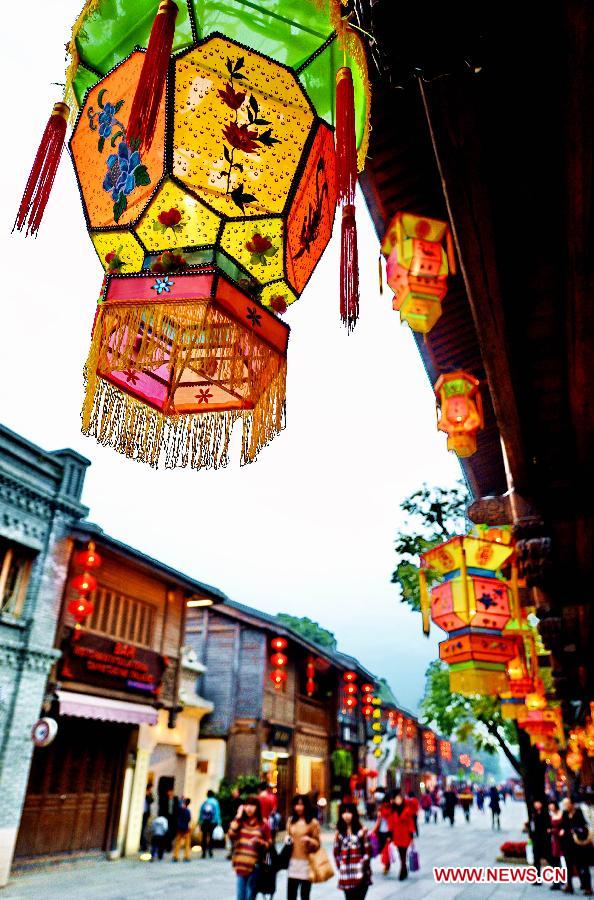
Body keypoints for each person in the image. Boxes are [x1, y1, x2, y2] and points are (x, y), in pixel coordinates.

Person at [228, 796, 271, 900]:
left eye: (252, 805)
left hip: (255, 867)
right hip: (240, 865)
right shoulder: (240, 822)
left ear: (257, 808)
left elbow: (269, 843)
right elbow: (231, 834)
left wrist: (260, 842)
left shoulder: (263, 824)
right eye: (247, 805)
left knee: (249, 897)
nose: (249, 808)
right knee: (240, 897)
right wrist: (238, 816)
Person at [333, 802, 372, 900]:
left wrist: (362, 864)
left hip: (361, 873)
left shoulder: (361, 831)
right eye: (344, 813)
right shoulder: (339, 834)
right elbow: (336, 852)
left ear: (354, 814)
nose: (346, 815)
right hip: (346, 874)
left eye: (349, 812)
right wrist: (341, 865)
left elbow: (367, 851)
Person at [285, 794, 321, 900]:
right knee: (291, 895)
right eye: (296, 805)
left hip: (307, 864)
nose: (298, 807)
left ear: (306, 806)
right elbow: (288, 836)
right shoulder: (291, 821)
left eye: (301, 805)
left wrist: (309, 840)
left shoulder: (313, 823)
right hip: (292, 864)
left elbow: (318, 844)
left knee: (305, 895)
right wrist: (287, 839)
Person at [559, 797, 592, 895]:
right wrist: (562, 830)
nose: (565, 806)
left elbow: (584, 826)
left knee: (583, 867)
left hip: (579, 845)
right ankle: (569, 886)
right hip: (568, 845)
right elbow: (563, 825)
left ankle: (588, 887)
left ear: (572, 804)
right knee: (568, 867)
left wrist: (575, 829)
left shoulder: (579, 813)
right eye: (564, 804)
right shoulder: (565, 814)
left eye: (567, 804)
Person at [386, 792, 415, 881]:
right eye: (396, 799)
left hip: (405, 835)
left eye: (399, 799)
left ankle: (402, 871)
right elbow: (390, 824)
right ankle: (404, 869)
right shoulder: (393, 811)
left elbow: (410, 823)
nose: (398, 801)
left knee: (404, 853)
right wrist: (389, 835)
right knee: (400, 853)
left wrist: (411, 837)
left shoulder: (407, 810)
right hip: (397, 835)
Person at [528, 799, 551, 879]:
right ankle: (537, 878)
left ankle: (557, 878)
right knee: (536, 858)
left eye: (538, 802)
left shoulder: (545, 813)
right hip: (536, 839)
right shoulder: (533, 814)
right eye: (535, 803)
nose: (537, 804)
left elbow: (548, 826)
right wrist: (531, 837)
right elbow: (531, 827)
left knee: (549, 858)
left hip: (544, 839)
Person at [199, 789, 222, 859]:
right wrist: (219, 822)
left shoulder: (205, 802)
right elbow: (217, 813)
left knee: (204, 837)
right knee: (211, 837)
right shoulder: (215, 802)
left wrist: (200, 822)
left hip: (205, 822)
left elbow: (201, 812)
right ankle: (210, 851)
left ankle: (203, 853)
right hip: (213, 822)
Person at [547, 800, 564, 891]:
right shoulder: (551, 815)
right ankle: (557, 881)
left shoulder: (561, 814)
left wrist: (553, 831)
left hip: (561, 840)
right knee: (556, 861)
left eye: (552, 806)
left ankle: (560, 879)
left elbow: (564, 827)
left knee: (562, 861)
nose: (551, 808)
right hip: (555, 841)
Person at [159, 787, 180, 852]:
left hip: (173, 818)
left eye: (171, 791)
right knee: (166, 832)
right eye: (169, 792)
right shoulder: (164, 799)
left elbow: (177, 808)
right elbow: (162, 808)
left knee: (172, 832)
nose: (170, 793)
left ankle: (169, 845)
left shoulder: (175, 799)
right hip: (166, 817)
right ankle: (167, 846)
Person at [172, 798, 193, 862]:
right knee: (187, 844)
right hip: (186, 828)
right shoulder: (188, 811)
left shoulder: (179, 809)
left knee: (177, 843)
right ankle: (186, 856)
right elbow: (189, 819)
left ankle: (175, 856)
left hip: (179, 828)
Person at [141, 783, 154, 852]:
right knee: (142, 830)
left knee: (144, 829)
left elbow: (151, 800)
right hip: (141, 813)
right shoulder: (142, 792)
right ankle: (143, 845)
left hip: (146, 814)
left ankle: (144, 845)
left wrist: (148, 794)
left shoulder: (149, 794)